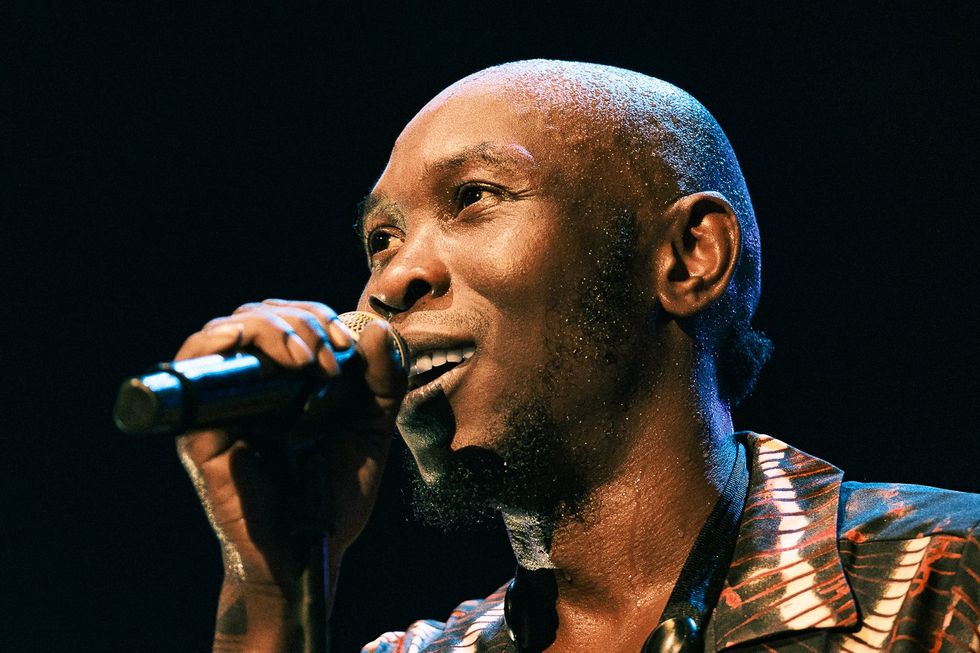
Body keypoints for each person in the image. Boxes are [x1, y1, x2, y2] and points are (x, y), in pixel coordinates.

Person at [174, 61, 979, 653]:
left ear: (688, 257)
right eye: (380, 239)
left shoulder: (939, 579)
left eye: (473, 197)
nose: (392, 278)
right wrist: (277, 587)